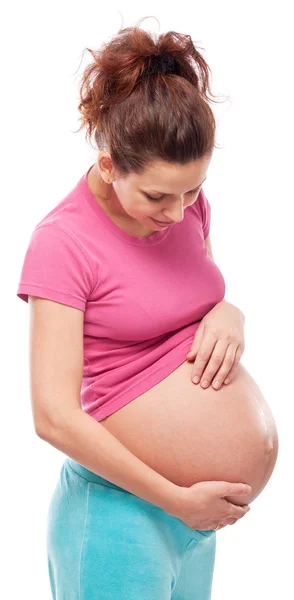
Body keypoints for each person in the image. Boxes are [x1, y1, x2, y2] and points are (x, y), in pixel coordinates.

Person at [16, 17, 278, 600]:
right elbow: (52, 417)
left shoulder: (186, 206)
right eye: (157, 195)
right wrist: (177, 499)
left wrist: (230, 312)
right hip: (118, 515)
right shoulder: (62, 243)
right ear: (109, 163)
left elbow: (193, 295)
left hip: (192, 524)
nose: (178, 212)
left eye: (192, 190)